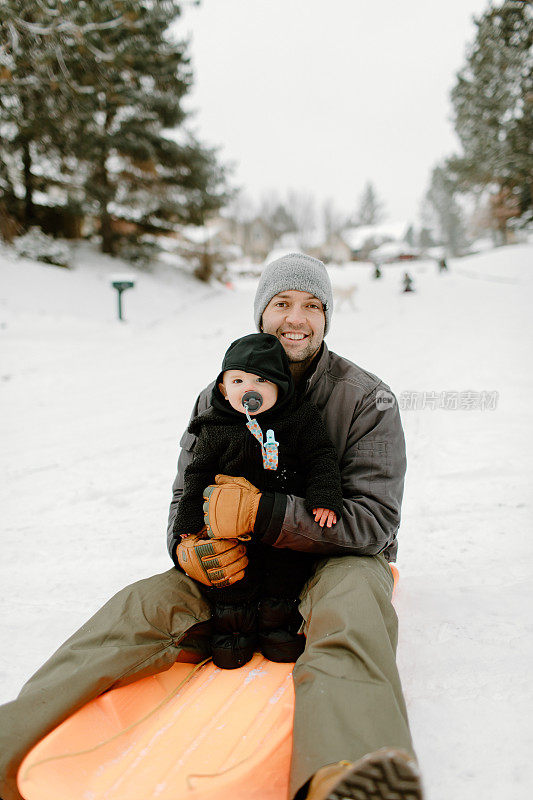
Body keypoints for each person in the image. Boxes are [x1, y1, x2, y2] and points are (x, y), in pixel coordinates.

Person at [0, 252, 422, 800]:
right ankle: (10, 747)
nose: (297, 317)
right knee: (139, 606)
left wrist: (264, 515)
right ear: (260, 313)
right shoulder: (219, 394)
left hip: (337, 559)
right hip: (242, 566)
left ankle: (347, 774)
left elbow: (375, 519)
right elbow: (185, 493)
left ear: (326, 317)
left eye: (312, 306)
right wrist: (189, 548)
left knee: (351, 612)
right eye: (282, 303)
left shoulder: (366, 396)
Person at [173, 331, 343, 670]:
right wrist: (187, 525)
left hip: (280, 523)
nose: (247, 388)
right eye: (237, 380)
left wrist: (323, 497)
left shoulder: (299, 419)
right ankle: (232, 635)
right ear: (223, 388)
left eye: (260, 379)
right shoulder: (215, 426)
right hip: (228, 528)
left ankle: (278, 630)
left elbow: (321, 458)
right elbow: (196, 475)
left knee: (285, 576)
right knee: (230, 579)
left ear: (281, 385)